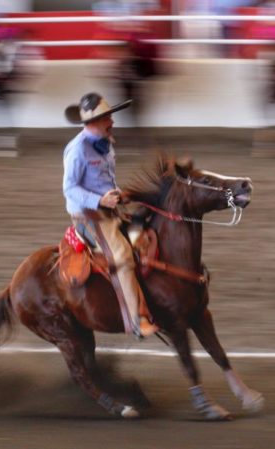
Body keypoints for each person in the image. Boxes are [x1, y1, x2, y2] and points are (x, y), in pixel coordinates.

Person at [63, 92, 159, 339]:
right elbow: (69, 187)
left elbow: (102, 179)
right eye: (107, 116)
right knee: (122, 255)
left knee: (145, 234)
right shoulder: (77, 150)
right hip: (88, 216)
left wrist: (115, 193)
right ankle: (136, 321)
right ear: (92, 122)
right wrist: (99, 200)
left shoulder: (105, 142)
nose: (112, 120)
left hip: (108, 209)